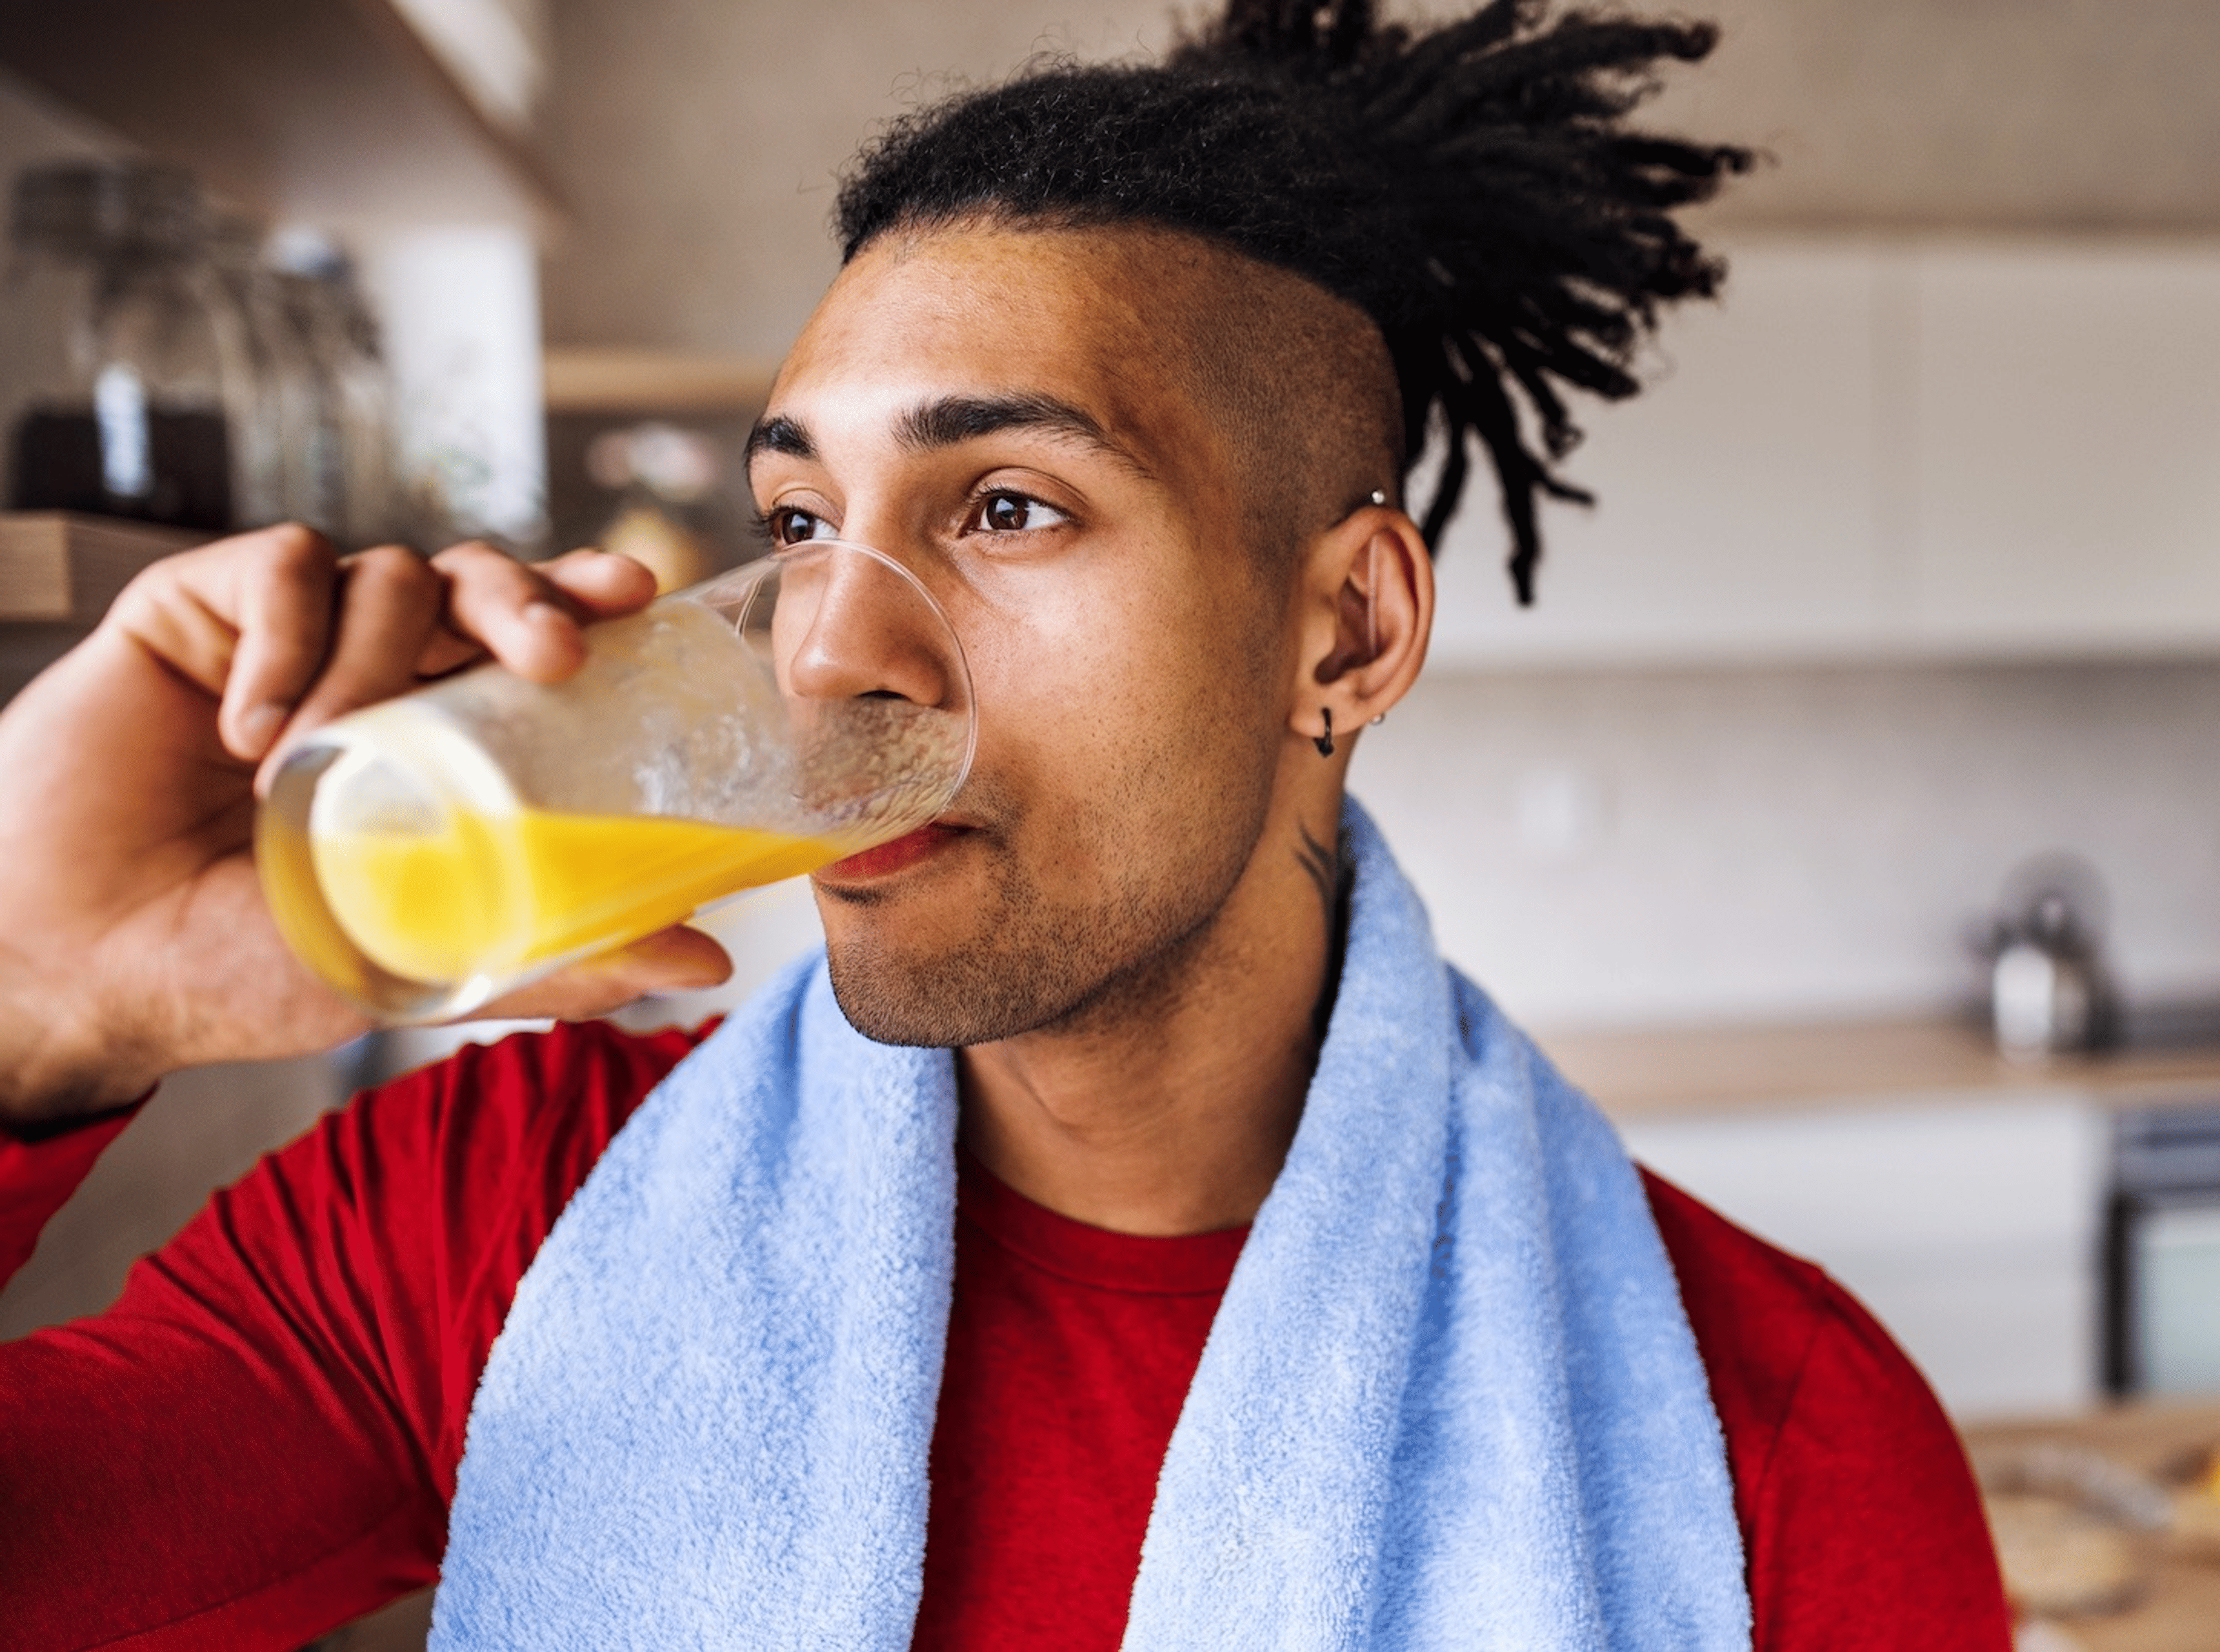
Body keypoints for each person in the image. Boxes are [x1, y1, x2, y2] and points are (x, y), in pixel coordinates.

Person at [0, 1, 2011, 1646]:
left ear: (1351, 625)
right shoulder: (487, 1219)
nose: (825, 650)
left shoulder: (1776, 1445)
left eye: (1008, 508)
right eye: (798, 524)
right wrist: (33, 1002)